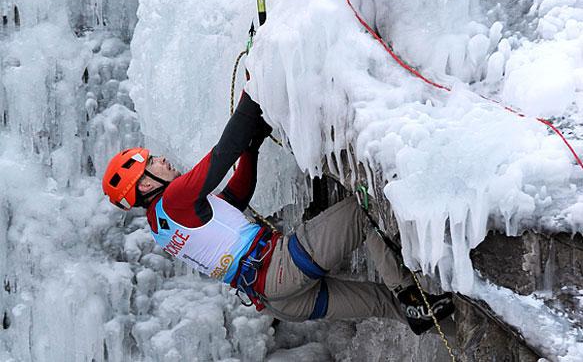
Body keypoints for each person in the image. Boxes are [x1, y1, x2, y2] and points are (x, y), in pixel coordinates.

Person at [102, 90, 453, 333]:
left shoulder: (163, 224)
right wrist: (253, 90)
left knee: (381, 302)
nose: (160, 159)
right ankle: (411, 296)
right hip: (280, 269)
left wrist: (251, 150)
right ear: (145, 185)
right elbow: (222, 153)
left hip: (278, 301)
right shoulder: (174, 199)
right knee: (363, 211)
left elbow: (235, 198)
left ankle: (435, 319)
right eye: (151, 162)